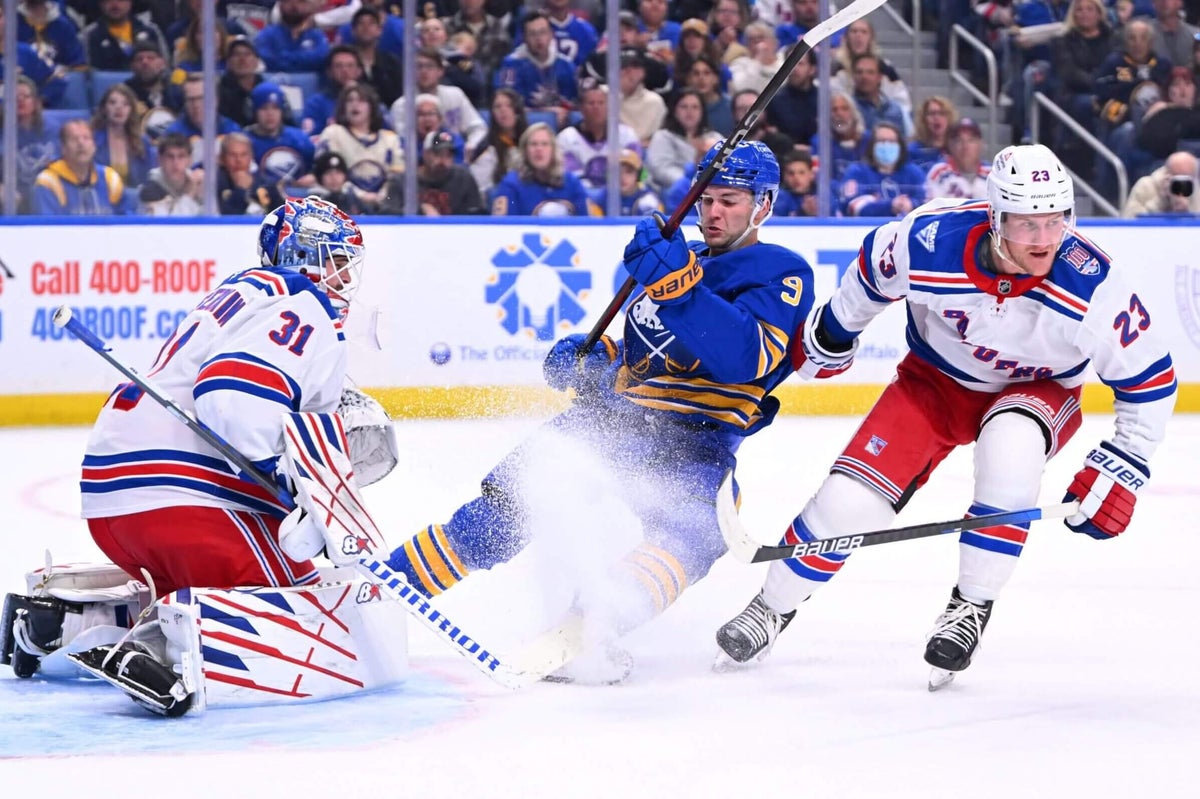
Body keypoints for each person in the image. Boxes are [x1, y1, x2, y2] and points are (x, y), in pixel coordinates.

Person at [714, 144, 1178, 691]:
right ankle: (772, 607)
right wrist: (835, 331)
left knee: (1011, 451)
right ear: (996, 218)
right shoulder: (930, 240)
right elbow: (870, 274)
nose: (1044, 239)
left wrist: (1122, 465)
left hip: (1040, 390)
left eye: (1055, 221)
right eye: (1027, 224)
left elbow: (1151, 380)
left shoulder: (1093, 284)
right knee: (847, 503)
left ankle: (971, 605)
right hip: (933, 382)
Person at [384, 140, 816, 681]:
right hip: (615, 423)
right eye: (706, 200)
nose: (713, 213)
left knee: (697, 533)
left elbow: (745, 358)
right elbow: (643, 357)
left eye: (729, 201)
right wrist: (595, 360)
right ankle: (383, 588)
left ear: (764, 205)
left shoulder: (780, 271)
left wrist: (679, 288)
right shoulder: (677, 259)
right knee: (503, 513)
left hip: (695, 444)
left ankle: (595, 620)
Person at [79, 196, 366, 600]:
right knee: (315, 608)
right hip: (181, 498)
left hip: (115, 499)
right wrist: (291, 479)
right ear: (301, 257)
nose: (345, 276)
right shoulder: (302, 300)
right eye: (336, 260)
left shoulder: (250, 292)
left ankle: (80, 623)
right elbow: (232, 395)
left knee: (189, 607)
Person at [33, 119, 130, 215]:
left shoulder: (110, 178)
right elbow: (47, 223)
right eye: (74, 139)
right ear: (63, 148)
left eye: (86, 138)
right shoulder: (48, 181)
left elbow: (127, 219)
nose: (81, 143)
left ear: (94, 146)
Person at [1122, 148, 1200, 215]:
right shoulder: (1145, 186)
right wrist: (1160, 201)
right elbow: (1129, 220)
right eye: (1177, 179)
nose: (1181, 185)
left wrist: (1186, 212)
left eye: (1186, 179)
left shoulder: (1196, 188)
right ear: (1166, 174)